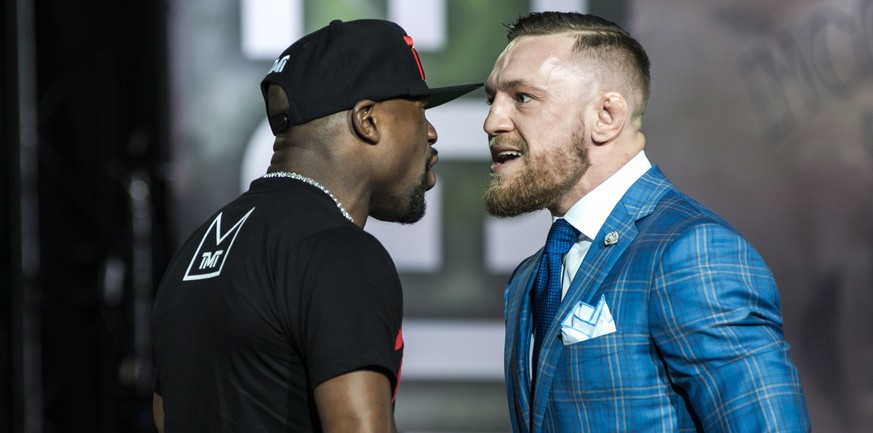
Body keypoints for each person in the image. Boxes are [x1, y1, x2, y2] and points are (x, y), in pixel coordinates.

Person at [483, 11, 810, 432]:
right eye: (492, 98)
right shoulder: (529, 279)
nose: (493, 120)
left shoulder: (690, 252)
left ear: (606, 116)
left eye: (522, 97)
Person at [151, 19, 481, 433]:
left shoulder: (196, 251)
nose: (431, 132)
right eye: (418, 110)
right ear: (368, 120)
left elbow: (167, 417)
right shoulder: (337, 252)